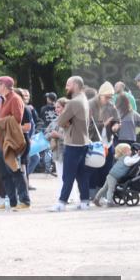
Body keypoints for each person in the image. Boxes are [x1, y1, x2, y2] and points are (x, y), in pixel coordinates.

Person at [49, 76, 92, 211]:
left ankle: (62, 203)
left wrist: (67, 122)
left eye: (68, 85)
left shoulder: (73, 102)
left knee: (68, 175)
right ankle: (85, 201)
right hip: (83, 141)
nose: (66, 87)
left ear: (75, 85)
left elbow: (60, 121)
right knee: (81, 174)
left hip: (73, 142)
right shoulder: (84, 99)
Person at [0, 77, 31, 210]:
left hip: (10, 140)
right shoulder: (4, 100)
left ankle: (24, 201)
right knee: (3, 172)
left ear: (4, 85)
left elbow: (17, 119)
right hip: (0, 139)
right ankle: (12, 202)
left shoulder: (15, 98)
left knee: (14, 170)